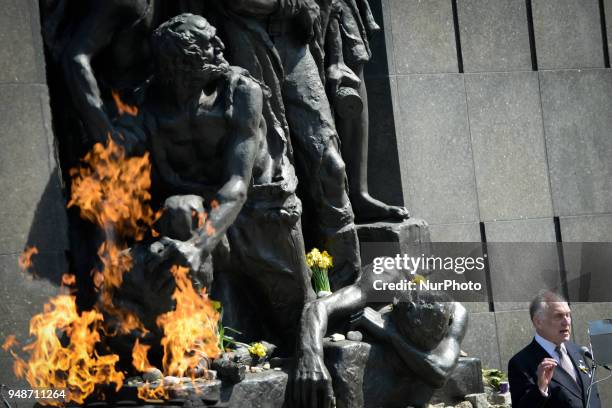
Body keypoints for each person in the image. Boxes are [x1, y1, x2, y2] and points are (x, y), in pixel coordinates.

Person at [143, 13, 315, 351]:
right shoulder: (150, 103)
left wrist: (198, 245)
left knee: (295, 322)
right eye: (208, 43)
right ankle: (199, 348)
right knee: (179, 209)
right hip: (207, 213)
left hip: (260, 210)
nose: (221, 47)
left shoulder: (240, 91)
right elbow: (164, 178)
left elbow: (238, 181)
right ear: (182, 59)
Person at [294, 265, 467, 408]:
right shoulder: (384, 279)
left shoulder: (457, 313)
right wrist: (311, 357)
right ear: (399, 302)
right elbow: (318, 307)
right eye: (411, 326)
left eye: (424, 342)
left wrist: (390, 334)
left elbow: (440, 371)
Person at [508, 290, 602, 408]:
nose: (566, 322)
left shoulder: (579, 351)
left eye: (568, 315)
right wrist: (541, 389)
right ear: (538, 322)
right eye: (559, 316)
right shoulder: (521, 362)